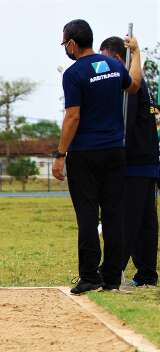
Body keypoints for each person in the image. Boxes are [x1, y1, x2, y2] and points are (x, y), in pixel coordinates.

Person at [52, 20, 142, 294]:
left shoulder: (73, 73)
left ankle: (90, 276)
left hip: (84, 154)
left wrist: (59, 154)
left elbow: (73, 116)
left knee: (88, 216)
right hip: (115, 151)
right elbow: (134, 85)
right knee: (114, 214)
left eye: (64, 43)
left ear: (72, 44)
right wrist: (137, 55)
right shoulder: (114, 67)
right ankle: (112, 278)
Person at [100, 37, 159, 287]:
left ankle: (112, 273)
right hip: (146, 164)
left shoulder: (130, 86)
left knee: (127, 220)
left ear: (117, 58)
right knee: (145, 222)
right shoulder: (137, 82)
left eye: (105, 59)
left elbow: (126, 122)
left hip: (134, 164)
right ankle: (146, 275)